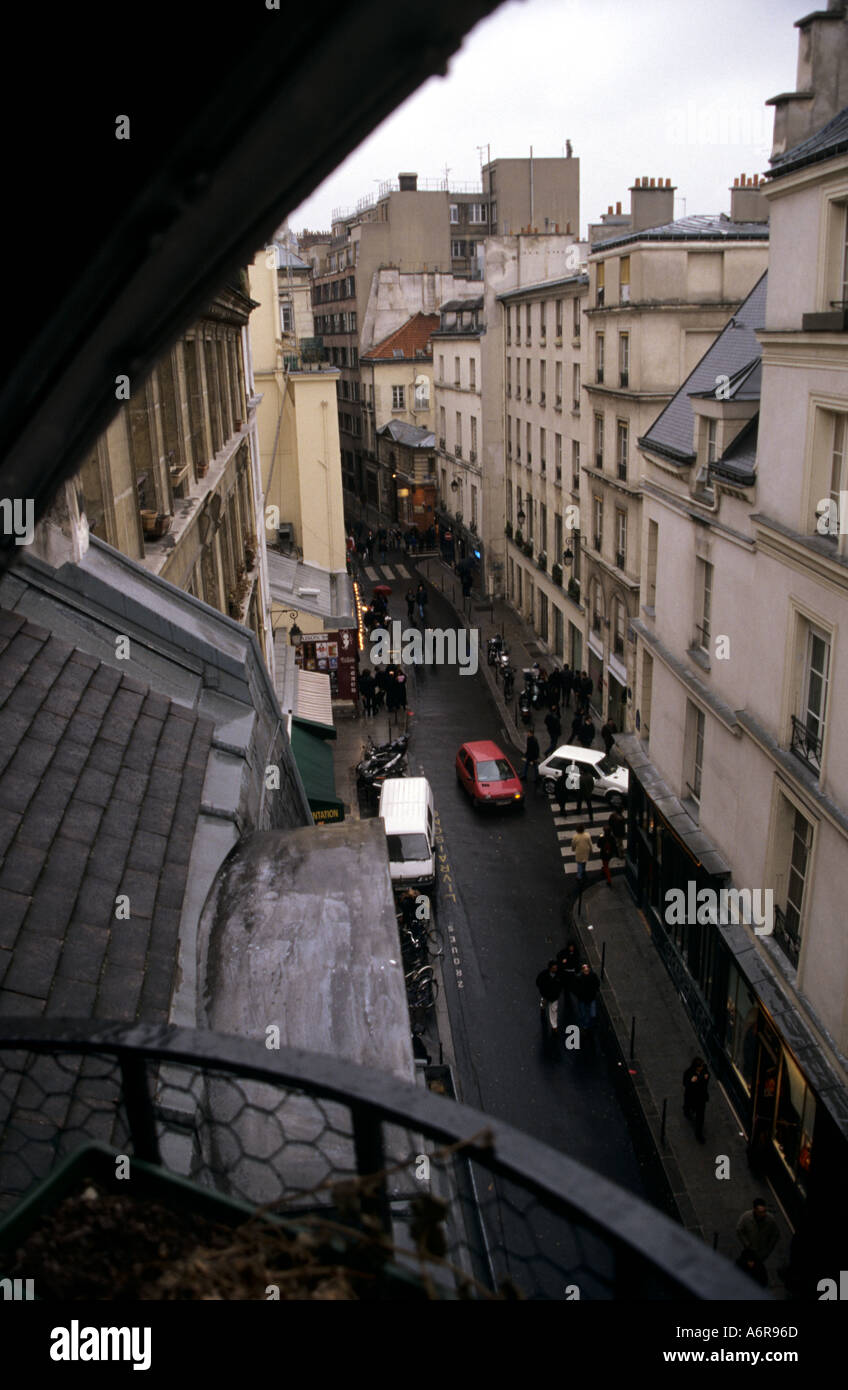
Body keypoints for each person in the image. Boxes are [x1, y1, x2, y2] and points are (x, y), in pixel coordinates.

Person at [736, 1199, 780, 1269]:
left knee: (757, 1269)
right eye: (760, 1212)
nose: (763, 1214)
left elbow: (776, 1235)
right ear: (754, 1210)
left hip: (761, 1253)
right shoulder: (746, 1217)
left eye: (764, 1211)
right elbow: (739, 1230)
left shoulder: (770, 1220)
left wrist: (768, 1249)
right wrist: (746, 1243)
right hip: (749, 1250)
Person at [682, 1056, 710, 1143]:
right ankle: (686, 1111)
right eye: (700, 1066)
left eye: (702, 1066)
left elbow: (707, 1075)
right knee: (688, 1106)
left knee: (700, 1117)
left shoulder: (704, 1070)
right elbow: (685, 1083)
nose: (702, 1067)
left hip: (701, 1098)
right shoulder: (689, 1072)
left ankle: (699, 1134)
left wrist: (707, 1076)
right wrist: (691, 1081)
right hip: (692, 1096)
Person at [536, 960, 563, 1035]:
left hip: (554, 997)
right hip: (546, 995)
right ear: (550, 968)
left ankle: (554, 1026)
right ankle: (542, 1007)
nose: (556, 969)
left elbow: (561, 985)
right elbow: (538, 982)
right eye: (554, 968)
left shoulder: (558, 975)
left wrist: (558, 992)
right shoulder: (544, 974)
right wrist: (543, 991)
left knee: (554, 1010)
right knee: (544, 1003)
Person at [572, 962, 600, 1030]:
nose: (586, 970)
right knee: (583, 1013)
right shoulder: (579, 978)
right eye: (584, 969)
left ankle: (589, 1024)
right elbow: (575, 988)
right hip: (582, 999)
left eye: (587, 968)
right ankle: (585, 1026)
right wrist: (579, 994)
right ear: (582, 970)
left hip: (591, 997)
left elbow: (597, 983)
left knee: (592, 1014)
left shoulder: (593, 975)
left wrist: (594, 991)